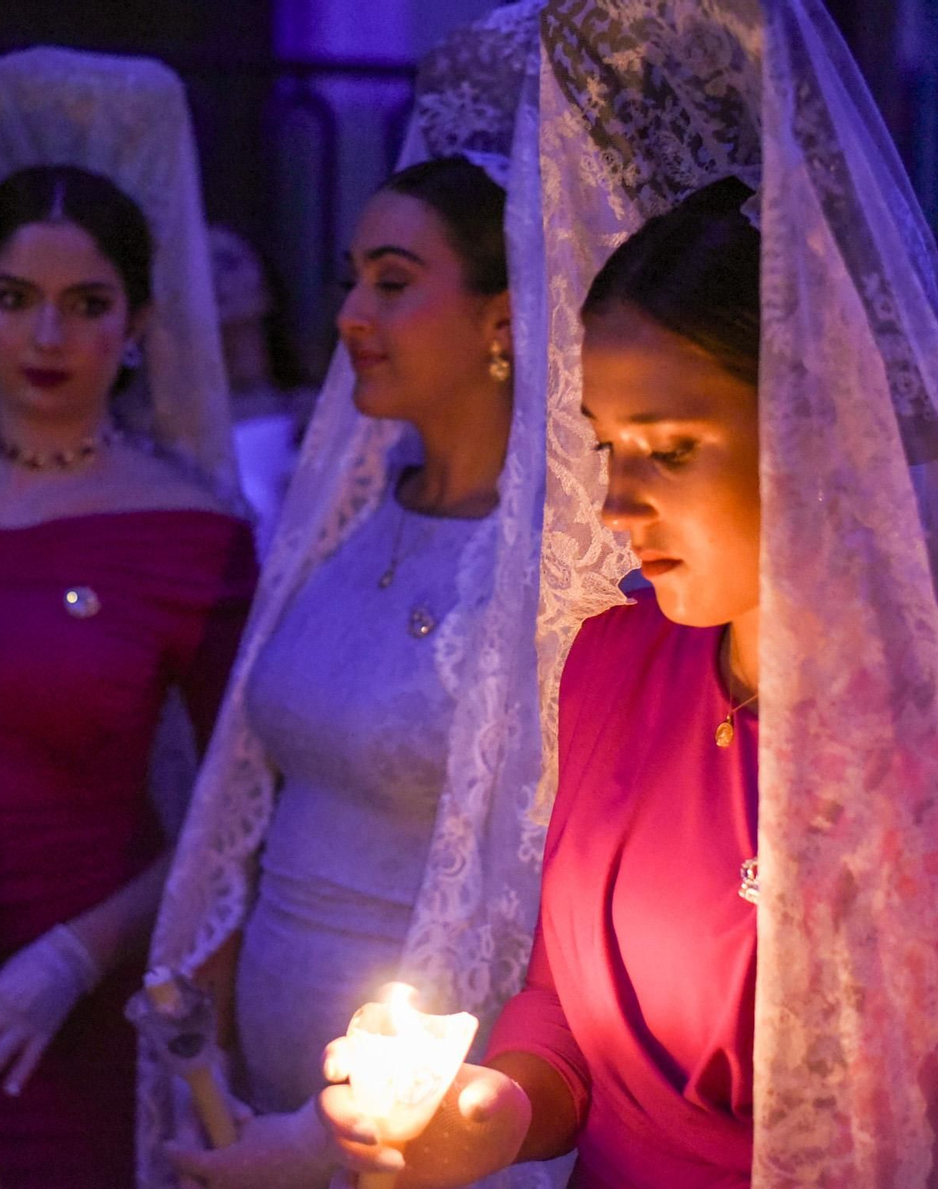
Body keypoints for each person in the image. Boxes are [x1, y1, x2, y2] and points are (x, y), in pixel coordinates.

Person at [318, 3, 938, 1187]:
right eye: (604, 445)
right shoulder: (614, 662)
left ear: (809, 437)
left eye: (672, 447)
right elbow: (562, 1007)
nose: (621, 504)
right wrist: (494, 1109)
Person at [142, 8, 629, 1187]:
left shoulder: (559, 574)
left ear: (502, 322)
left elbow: (526, 885)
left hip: (419, 1133)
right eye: (352, 279)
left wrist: (354, 1131)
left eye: (394, 283)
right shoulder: (350, 520)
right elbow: (271, 776)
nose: (351, 315)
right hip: (256, 1082)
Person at [0, 47, 257, 1189]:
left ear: (135, 328)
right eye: (16, 300)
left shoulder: (194, 538)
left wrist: (75, 960)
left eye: (86, 306)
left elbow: (233, 818)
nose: (46, 339)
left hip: (85, 1012)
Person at [208, 225, 313, 553]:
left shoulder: (314, 413)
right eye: (201, 265)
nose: (215, 278)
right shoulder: (167, 425)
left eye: (228, 262)